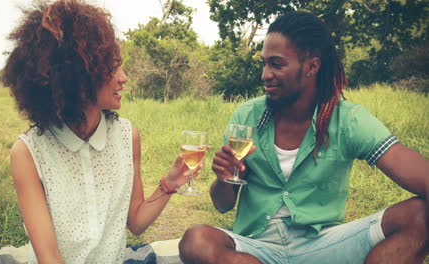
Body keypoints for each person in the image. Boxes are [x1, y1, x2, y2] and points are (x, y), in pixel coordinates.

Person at [178, 11, 428, 264]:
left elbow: (415, 170)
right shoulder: (247, 116)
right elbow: (222, 205)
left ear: (312, 66)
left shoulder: (348, 120)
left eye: (276, 64)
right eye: (264, 63)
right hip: (256, 249)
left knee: (421, 214)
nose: (265, 74)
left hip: (323, 246)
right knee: (196, 242)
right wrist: (225, 179)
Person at [3, 1, 199, 263]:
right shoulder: (28, 153)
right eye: (113, 66)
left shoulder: (128, 136)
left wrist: (170, 183)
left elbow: (137, 223)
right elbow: (49, 257)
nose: (124, 77)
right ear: (78, 73)